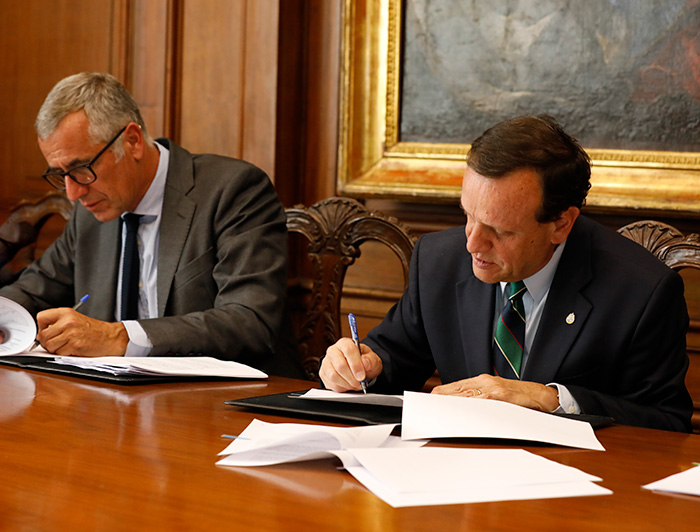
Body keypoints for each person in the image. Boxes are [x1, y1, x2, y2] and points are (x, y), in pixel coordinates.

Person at [320, 115, 693, 432]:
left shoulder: (641, 291)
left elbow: (665, 422)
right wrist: (360, 366)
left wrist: (552, 399)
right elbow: (394, 357)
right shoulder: (439, 260)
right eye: (468, 215)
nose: (472, 244)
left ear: (561, 224)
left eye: (499, 231)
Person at [0, 72, 303, 378]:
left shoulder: (233, 190)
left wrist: (119, 337)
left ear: (132, 141)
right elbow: (34, 289)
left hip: (226, 396)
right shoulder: (90, 212)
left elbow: (249, 321)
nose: (72, 193)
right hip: (111, 397)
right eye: (59, 174)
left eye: (81, 168)